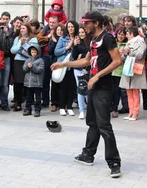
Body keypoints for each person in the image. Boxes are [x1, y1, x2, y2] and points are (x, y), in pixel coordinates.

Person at [52, 11, 122, 178]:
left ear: (96, 23)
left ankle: (114, 163)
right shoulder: (92, 40)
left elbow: (118, 60)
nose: (83, 25)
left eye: (86, 22)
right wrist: (63, 64)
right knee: (92, 122)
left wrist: (97, 75)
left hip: (103, 87)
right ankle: (88, 154)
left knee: (104, 125)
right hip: (93, 86)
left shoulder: (107, 38)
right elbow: (86, 61)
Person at [119, 26, 147, 121]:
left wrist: (129, 51)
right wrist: (123, 53)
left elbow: (140, 54)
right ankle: (130, 112)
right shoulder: (129, 42)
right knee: (128, 90)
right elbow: (123, 56)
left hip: (136, 67)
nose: (126, 35)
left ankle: (135, 113)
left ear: (131, 33)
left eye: (127, 33)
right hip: (128, 67)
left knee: (135, 91)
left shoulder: (141, 41)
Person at [10, 22, 38, 112]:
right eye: (21, 29)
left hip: (27, 62)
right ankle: (18, 103)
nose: (21, 30)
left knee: (27, 83)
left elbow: (32, 52)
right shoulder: (17, 39)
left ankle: (28, 103)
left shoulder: (33, 39)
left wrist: (24, 45)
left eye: (23, 28)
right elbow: (13, 50)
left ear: (28, 29)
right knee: (18, 83)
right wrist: (19, 45)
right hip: (18, 61)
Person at [53, 23, 77, 116]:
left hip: (73, 65)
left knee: (71, 87)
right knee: (63, 87)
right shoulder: (63, 38)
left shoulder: (78, 38)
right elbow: (56, 52)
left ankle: (70, 106)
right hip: (63, 65)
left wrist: (75, 46)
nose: (71, 28)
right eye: (69, 27)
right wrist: (67, 47)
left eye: (72, 27)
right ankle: (62, 106)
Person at [73, 26, 90, 119]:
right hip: (78, 69)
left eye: (83, 32)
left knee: (88, 90)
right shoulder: (77, 43)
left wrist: (82, 55)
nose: (81, 34)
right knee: (80, 89)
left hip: (88, 69)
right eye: (79, 33)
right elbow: (74, 56)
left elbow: (90, 53)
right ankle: (81, 111)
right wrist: (75, 45)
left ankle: (89, 109)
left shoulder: (90, 42)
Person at [23, 44, 44, 117]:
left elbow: (39, 70)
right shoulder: (28, 60)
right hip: (28, 83)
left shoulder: (40, 60)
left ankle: (37, 110)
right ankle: (28, 109)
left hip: (37, 83)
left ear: (38, 52)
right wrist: (27, 66)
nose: (34, 54)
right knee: (28, 97)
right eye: (32, 52)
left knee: (37, 97)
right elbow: (24, 69)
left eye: (35, 52)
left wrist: (32, 66)